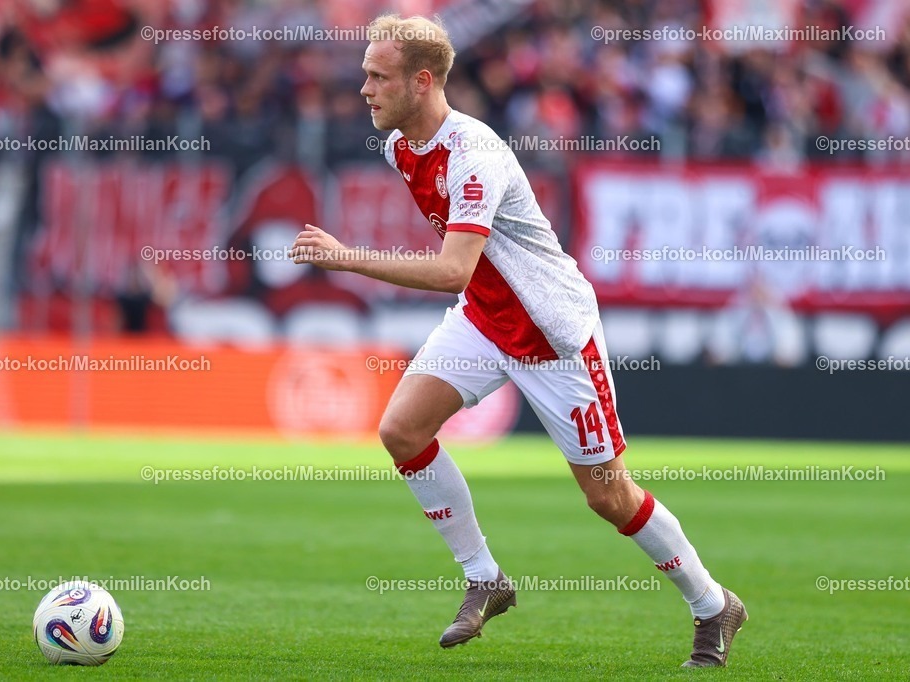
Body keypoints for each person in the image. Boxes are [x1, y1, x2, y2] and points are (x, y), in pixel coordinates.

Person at [290, 14, 747, 667]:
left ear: (422, 82)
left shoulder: (473, 155)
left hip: (553, 335)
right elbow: (467, 276)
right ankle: (485, 578)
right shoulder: (400, 145)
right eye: (366, 74)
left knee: (609, 496)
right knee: (402, 431)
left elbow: (452, 268)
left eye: (377, 76)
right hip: (484, 319)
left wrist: (347, 258)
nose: (364, 88)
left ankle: (712, 604)